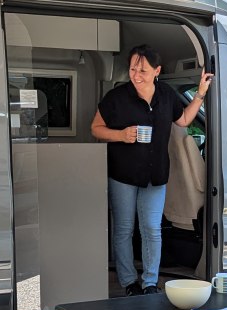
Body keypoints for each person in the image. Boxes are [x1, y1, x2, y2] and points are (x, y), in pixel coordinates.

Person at [91, 44, 213, 296]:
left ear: (157, 71)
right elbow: (95, 128)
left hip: (155, 174)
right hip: (123, 174)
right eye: (132, 69)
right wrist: (121, 135)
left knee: (151, 229)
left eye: (143, 70)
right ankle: (128, 282)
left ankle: (149, 283)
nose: (136, 75)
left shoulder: (166, 95)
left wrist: (200, 94)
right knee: (124, 229)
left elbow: (183, 120)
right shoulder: (117, 97)